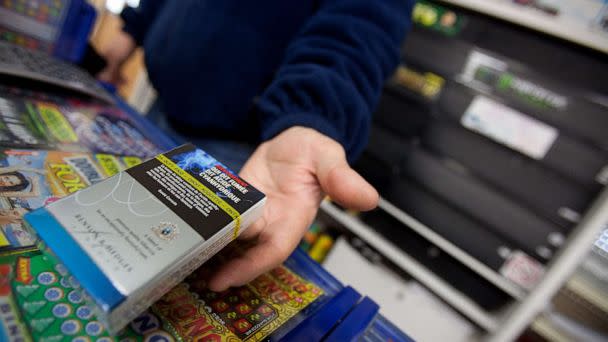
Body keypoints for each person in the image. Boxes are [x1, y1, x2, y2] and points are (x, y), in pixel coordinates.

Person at [97, 0, 414, 291]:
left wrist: (310, 113)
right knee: (104, 243)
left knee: (169, 282)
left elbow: (362, 22)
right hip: (158, 109)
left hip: (244, 150)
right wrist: (135, 27)